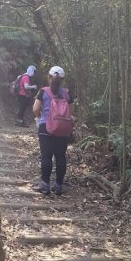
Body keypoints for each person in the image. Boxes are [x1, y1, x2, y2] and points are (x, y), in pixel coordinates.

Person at [33, 66, 74, 195]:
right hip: (63, 130)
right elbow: (71, 112)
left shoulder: (43, 91)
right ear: (62, 79)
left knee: (46, 156)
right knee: (60, 157)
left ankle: (45, 184)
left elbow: (35, 109)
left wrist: (40, 117)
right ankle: (58, 185)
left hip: (46, 127)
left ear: (49, 77)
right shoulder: (67, 94)